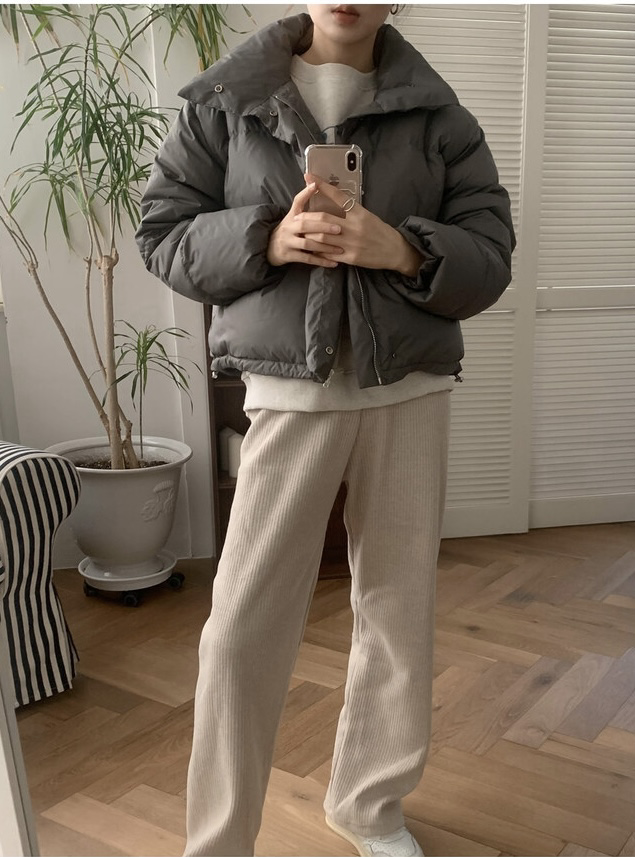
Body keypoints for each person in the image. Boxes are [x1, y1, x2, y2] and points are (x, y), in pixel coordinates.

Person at [135, 5, 515, 856]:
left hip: (407, 389)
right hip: (288, 392)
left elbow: (490, 253)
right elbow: (162, 235)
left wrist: (403, 251)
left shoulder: (440, 114)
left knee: (397, 613)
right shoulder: (224, 102)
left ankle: (369, 807)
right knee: (240, 627)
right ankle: (218, 840)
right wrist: (268, 237)